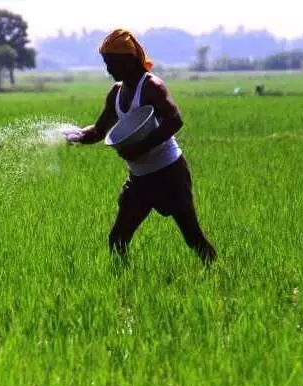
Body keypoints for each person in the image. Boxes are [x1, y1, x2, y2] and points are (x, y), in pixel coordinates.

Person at [65, 29, 217, 265]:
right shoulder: (116, 92)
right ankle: (122, 288)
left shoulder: (152, 86)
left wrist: (140, 149)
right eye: (106, 63)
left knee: (193, 238)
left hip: (169, 175)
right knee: (117, 239)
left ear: (128, 60)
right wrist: (75, 136)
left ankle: (218, 277)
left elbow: (174, 119)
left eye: (112, 63)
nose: (108, 69)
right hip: (139, 179)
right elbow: (98, 130)